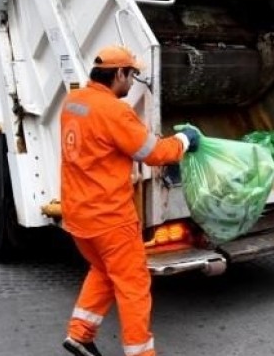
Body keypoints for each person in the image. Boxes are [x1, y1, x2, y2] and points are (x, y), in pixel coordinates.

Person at [60, 45, 200, 356]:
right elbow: (154, 154)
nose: (132, 82)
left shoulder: (73, 102)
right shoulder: (114, 111)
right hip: (110, 220)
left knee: (103, 271)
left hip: (78, 215)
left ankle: (79, 335)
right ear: (119, 73)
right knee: (133, 286)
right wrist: (184, 140)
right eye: (132, 75)